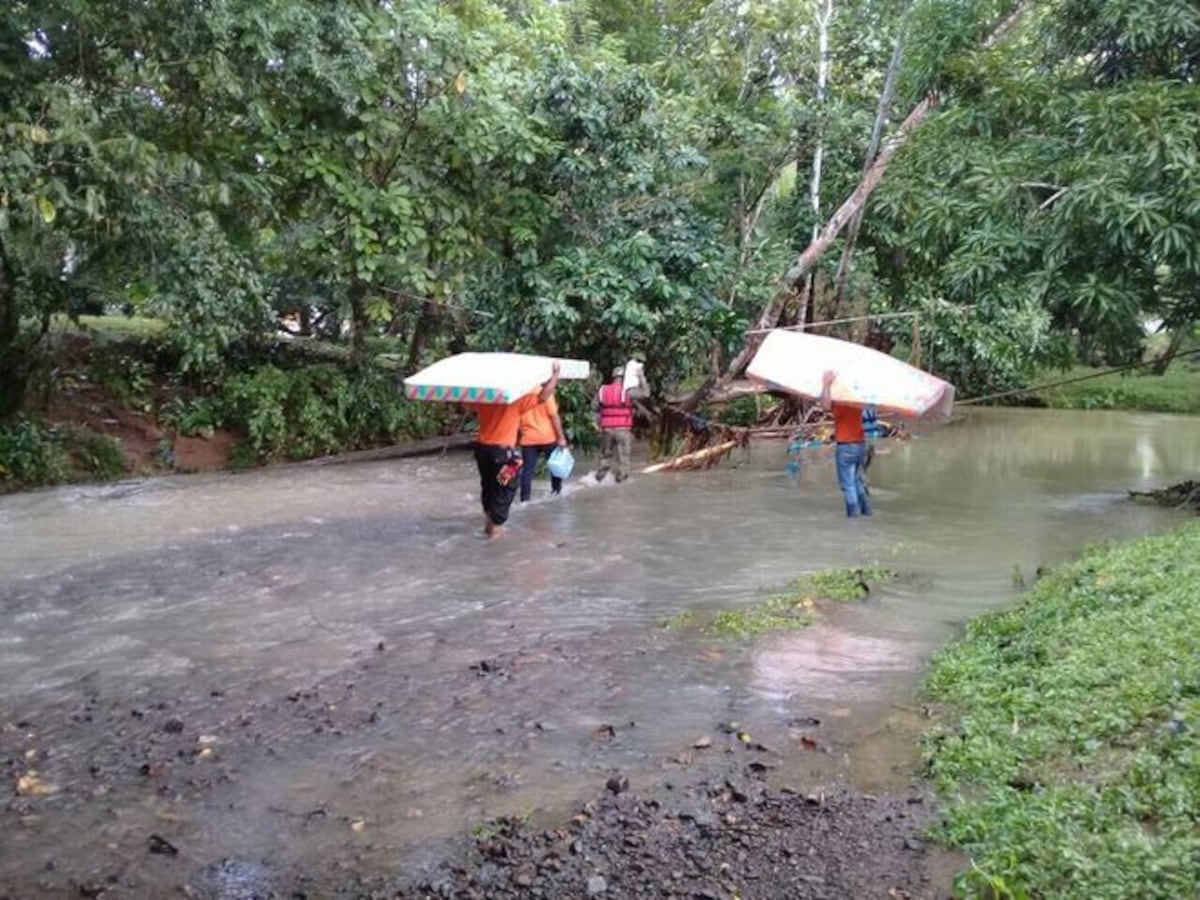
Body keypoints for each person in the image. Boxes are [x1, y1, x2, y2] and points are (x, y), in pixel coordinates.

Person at [466, 362, 560, 537]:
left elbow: (465, 403)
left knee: (490, 488)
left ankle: (489, 528)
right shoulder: (515, 401)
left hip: (482, 451)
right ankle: (496, 537)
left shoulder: (484, 399)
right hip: (503, 454)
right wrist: (555, 374)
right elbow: (544, 395)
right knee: (506, 487)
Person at [820, 370, 872, 518]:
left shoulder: (840, 401)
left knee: (848, 485)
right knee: (856, 481)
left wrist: (825, 384)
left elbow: (824, 406)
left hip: (846, 446)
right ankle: (867, 512)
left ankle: (853, 518)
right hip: (860, 444)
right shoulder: (857, 400)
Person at [594, 364, 646, 483]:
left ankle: (600, 479)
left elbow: (594, 407)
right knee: (623, 459)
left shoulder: (603, 390)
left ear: (613, 377)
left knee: (605, 457)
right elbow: (646, 393)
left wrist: (597, 422)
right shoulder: (628, 391)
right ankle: (621, 481)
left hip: (607, 429)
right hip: (623, 429)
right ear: (625, 378)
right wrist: (641, 376)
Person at [517, 388, 568, 502]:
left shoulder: (521, 394)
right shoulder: (546, 393)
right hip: (547, 437)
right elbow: (554, 416)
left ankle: (524, 500)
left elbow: (516, 418)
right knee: (555, 467)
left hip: (528, 438)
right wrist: (561, 438)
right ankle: (556, 492)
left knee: (527, 470)